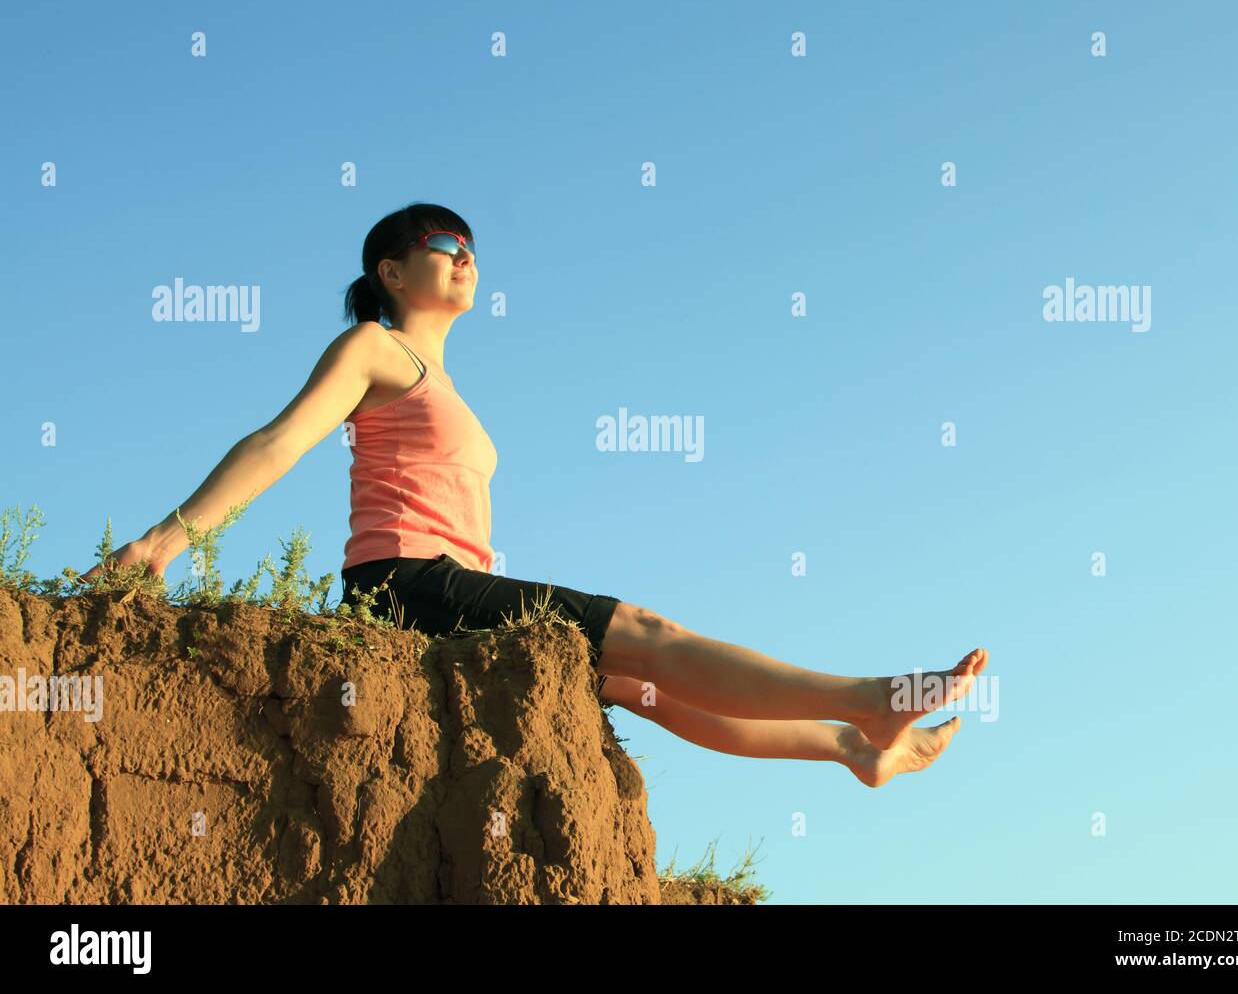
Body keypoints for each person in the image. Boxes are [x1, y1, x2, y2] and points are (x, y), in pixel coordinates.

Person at [81, 202, 988, 788]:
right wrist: (165, 540)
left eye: (473, 248)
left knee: (648, 690)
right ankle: (871, 696)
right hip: (404, 582)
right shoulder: (374, 348)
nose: (465, 257)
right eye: (444, 245)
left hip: (449, 592)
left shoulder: (446, 387)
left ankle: (849, 746)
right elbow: (278, 442)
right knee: (655, 635)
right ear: (395, 272)